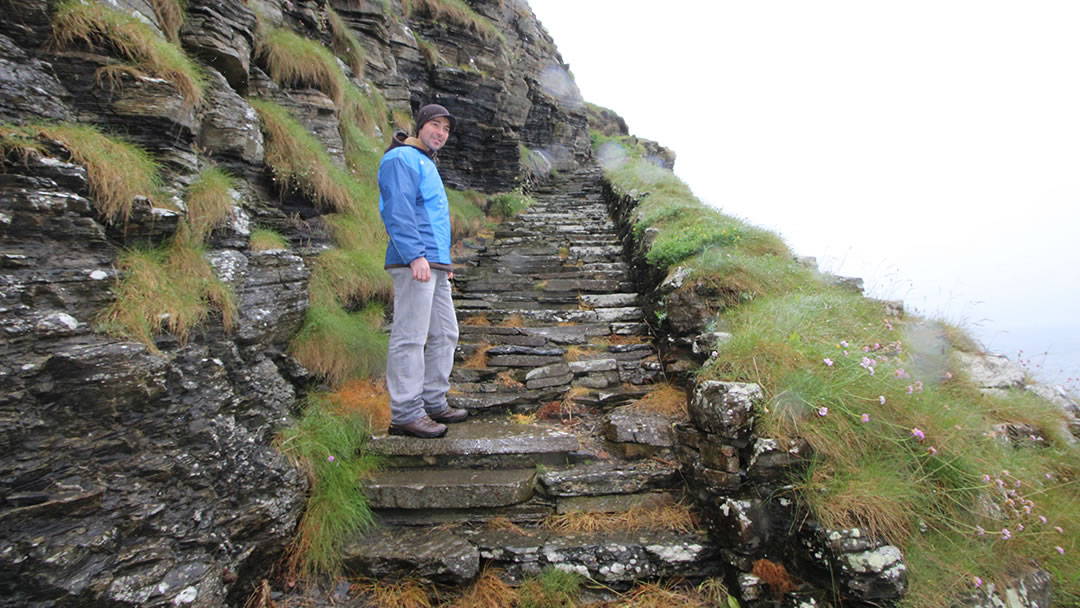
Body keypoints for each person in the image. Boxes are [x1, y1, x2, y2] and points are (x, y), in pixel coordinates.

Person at [378, 103, 468, 438]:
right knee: (410, 337)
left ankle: (433, 400)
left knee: (445, 333)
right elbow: (397, 210)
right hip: (414, 262)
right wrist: (416, 255)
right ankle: (405, 413)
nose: (441, 133)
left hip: (435, 264)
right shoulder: (401, 158)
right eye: (435, 125)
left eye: (446, 129)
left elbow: (430, 216)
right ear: (420, 127)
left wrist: (443, 263)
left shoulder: (425, 162)